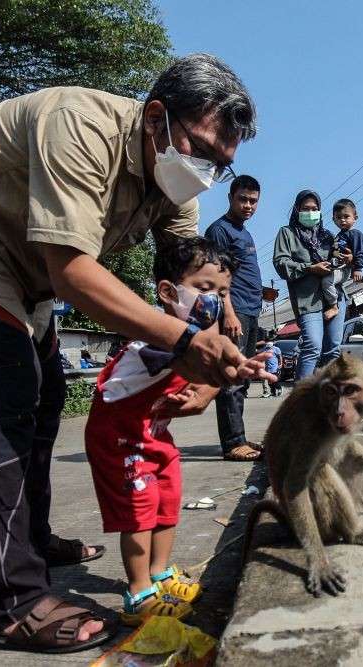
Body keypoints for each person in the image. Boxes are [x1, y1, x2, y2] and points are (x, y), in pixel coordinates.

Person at [0, 53, 273, 654]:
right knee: (8, 394)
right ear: (154, 118)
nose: (204, 172)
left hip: (24, 269)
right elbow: (72, 272)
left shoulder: (180, 188)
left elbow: (184, 279)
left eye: (221, 165)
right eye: (199, 149)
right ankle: (13, 602)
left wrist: (214, 346)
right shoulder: (80, 128)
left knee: (43, 396)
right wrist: (182, 345)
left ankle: (30, 538)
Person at [85, 236, 234, 626]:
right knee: (139, 512)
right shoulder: (157, 335)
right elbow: (180, 360)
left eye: (221, 292)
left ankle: (160, 572)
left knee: (167, 500)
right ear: (168, 292)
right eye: (204, 289)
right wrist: (228, 370)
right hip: (119, 438)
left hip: (153, 433)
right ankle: (138, 593)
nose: (214, 300)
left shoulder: (196, 336)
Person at [204, 175, 264, 461]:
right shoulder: (220, 230)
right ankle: (232, 443)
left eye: (253, 201)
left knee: (244, 376)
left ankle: (238, 437)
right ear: (230, 197)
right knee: (231, 378)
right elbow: (216, 276)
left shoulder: (245, 232)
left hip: (250, 310)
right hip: (234, 312)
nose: (248, 205)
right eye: (243, 199)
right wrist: (228, 312)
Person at [273, 190, 353, 380]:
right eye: (306, 209)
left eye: (314, 209)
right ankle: (302, 401)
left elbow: (341, 261)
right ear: (296, 210)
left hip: (334, 298)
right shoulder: (287, 233)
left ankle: (328, 398)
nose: (310, 212)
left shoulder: (328, 235)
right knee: (312, 347)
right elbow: (281, 264)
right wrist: (310, 268)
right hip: (307, 300)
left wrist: (348, 259)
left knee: (332, 348)